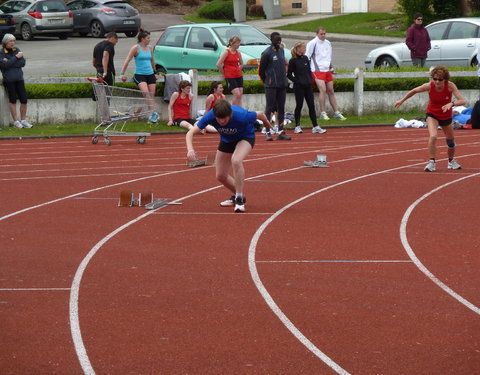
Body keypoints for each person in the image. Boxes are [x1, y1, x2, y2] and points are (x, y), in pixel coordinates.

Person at [186, 99, 273, 213]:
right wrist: (190, 150)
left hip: (245, 137)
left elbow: (260, 114)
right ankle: (237, 195)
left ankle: (239, 198)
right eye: (218, 119)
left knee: (236, 160)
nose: (221, 122)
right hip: (227, 140)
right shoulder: (211, 116)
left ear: (230, 115)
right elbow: (190, 133)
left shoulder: (241, 115)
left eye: (225, 119)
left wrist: (267, 124)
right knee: (221, 176)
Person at [394, 66, 466, 172]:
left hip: (446, 116)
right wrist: (402, 100)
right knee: (433, 136)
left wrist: (451, 104)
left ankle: (451, 161)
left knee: (450, 141)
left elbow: (462, 101)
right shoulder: (429, 86)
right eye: (435, 79)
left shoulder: (450, 86)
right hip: (432, 114)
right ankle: (431, 162)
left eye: (440, 79)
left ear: (445, 79)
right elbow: (414, 90)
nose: (437, 81)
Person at [305, 27, 346, 123]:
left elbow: (329, 57)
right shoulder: (312, 43)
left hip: (327, 70)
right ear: (317, 34)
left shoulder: (328, 43)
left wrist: (331, 68)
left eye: (324, 34)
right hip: (317, 70)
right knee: (322, 90)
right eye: (321, 34)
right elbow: (307, 56)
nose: (323, 35)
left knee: (331, 91)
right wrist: (308, 70)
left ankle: (336, 112)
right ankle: (323, 113)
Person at [120, 29, 159, 123]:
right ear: (142, 39)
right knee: (146, 94)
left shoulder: (150, 48)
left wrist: (155, 72)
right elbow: (127, 60)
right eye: (148, 38)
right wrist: (122, 74)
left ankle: (150, 117)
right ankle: (153, 113)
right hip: (140, 74)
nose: (150, 40)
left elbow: (152, 61)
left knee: (151, 95)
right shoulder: (135, 48)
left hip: (150, 74)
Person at [287, 41, 326, 134]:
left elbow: (309, 71)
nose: (305, 49)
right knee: (299, 105)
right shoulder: (293, 60)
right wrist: (297, 81)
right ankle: (297, 126)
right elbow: (289, 74)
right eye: (303, 48)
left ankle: (315, 126)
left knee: (312, 106)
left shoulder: (306, 58)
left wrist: (310, 80)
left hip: (308, 86)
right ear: (298, 49)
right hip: (299, 87)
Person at [259, 32, 291, 140]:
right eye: (276, 40)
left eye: (280, 40)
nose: (278, 42)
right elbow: (261, 71)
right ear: (271, 39)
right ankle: (268, 132)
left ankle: (281, 131)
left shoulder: (281, 51)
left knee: (281, 108)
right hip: (271, 86)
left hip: (282, 85)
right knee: (269, 108)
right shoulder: (267, 53)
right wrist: (267, 81)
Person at [0, 34, 32, 128]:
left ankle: (23, 120)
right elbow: (4, 66)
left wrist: (9, 61)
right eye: (10, 41)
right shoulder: (1, 53)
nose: (12, 43)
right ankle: (16, 121)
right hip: (9, 80)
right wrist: (16, 58)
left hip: (19, 79)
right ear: (5, 42)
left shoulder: (17, 50)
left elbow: (22, 63)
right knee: (13, 100)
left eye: (13, 41)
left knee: (24, 100)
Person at [216, 36, 243, 106]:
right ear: (231, 43)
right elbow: (218, 64)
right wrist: (224, 73)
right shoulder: (226, 52)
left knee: (240, 94)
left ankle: (240, 111)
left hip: (238, 75)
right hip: (230, 76)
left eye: (239, 43)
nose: (238, 44)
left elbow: (242, 64)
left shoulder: (238, 53)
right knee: (237, 94)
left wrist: (237, 69)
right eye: (237, 43)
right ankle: (233, 111)